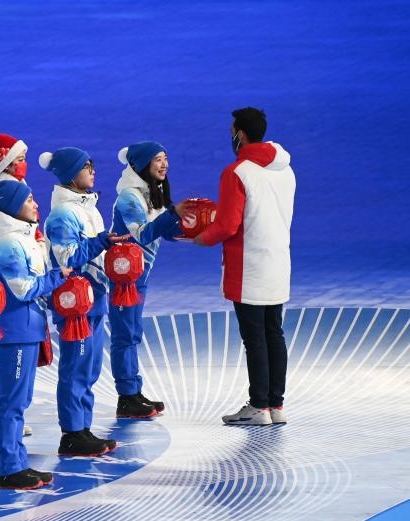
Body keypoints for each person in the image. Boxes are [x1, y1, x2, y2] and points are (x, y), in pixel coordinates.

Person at [194, 107, 295, 426]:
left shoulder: (237, 172)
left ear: (240, 134)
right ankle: (276, 405)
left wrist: (200, 238)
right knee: (274, 333)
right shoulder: (285, 169)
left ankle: (258, 406)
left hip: (248, 266)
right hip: (278, 262)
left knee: (255, 338)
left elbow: (227, 225)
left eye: (232, 132)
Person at [40, 147, 128, 456]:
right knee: (76, 366)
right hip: (74, 305)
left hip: (94, 297)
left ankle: (83, 427)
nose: (92, 171)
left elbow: (94, 253)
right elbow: (68, 258)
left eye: (92, 165)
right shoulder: (63, 215)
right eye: (85, 166)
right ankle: (72, 434)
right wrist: (102, 241)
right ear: (69, 174)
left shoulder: (88, 207)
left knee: (89, 367)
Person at [0, 178, 67, 490]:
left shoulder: (25, 239)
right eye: (29, 200)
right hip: (14, 332)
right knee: (10, 402)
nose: (36, 204)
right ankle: (8, 468)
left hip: (28, 330)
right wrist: (57, 278)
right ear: (12, 207)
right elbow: (23, 288)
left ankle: (17, 462)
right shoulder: (8, 245)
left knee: (20, 400)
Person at [109, 141, 193, 418]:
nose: (164, 164)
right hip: (123, 278)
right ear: (142, 164)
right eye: (158, 159)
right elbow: (143, 234)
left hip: (137, 275)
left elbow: (163, 231)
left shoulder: (150, 192)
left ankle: (133, 391)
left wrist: (194, 229)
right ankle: (126, 397)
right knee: (124, 334)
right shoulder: (129, 197)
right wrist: (173, 213)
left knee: (132, 332)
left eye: (166, 158)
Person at [0, 133, 36, 440]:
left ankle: (4, 412)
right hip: (11, 269)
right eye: (18, 159)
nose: (23, 164)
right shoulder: (5, 190)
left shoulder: (16, 185)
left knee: (2, 348)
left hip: (20, 261)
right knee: (1, 347)